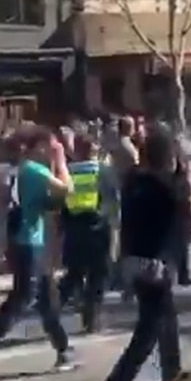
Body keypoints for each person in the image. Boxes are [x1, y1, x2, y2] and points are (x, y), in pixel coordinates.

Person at [0, 127, 76, 375]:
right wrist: (61, 161)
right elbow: (67, 189)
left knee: (47, 298)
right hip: (28, 244)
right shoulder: (34, 170)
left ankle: (63, 349)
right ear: (38, 147)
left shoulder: (25, 171)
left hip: (28, 240)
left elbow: (52, 202)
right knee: (22, 298)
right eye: (50, 145)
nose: (53, 150)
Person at [101, 124, 191, 381]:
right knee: (149, 327)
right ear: (167, 156)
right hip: (154, 262)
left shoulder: (133, 181)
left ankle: (171, 367)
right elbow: (190, 213)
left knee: (166, 313)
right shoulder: (167, 188)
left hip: (133, 259)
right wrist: (185, 175)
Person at [57, 136, 109, 334]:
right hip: (98, 228)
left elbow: (61, 200)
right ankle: (91, 319)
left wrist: (61, 228)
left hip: (74, 229)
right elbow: (113, 200)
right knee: (97, 276)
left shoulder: (67, 171)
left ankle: (52, 309)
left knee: (74, 274)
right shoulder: (103, 171)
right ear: (94, 150)